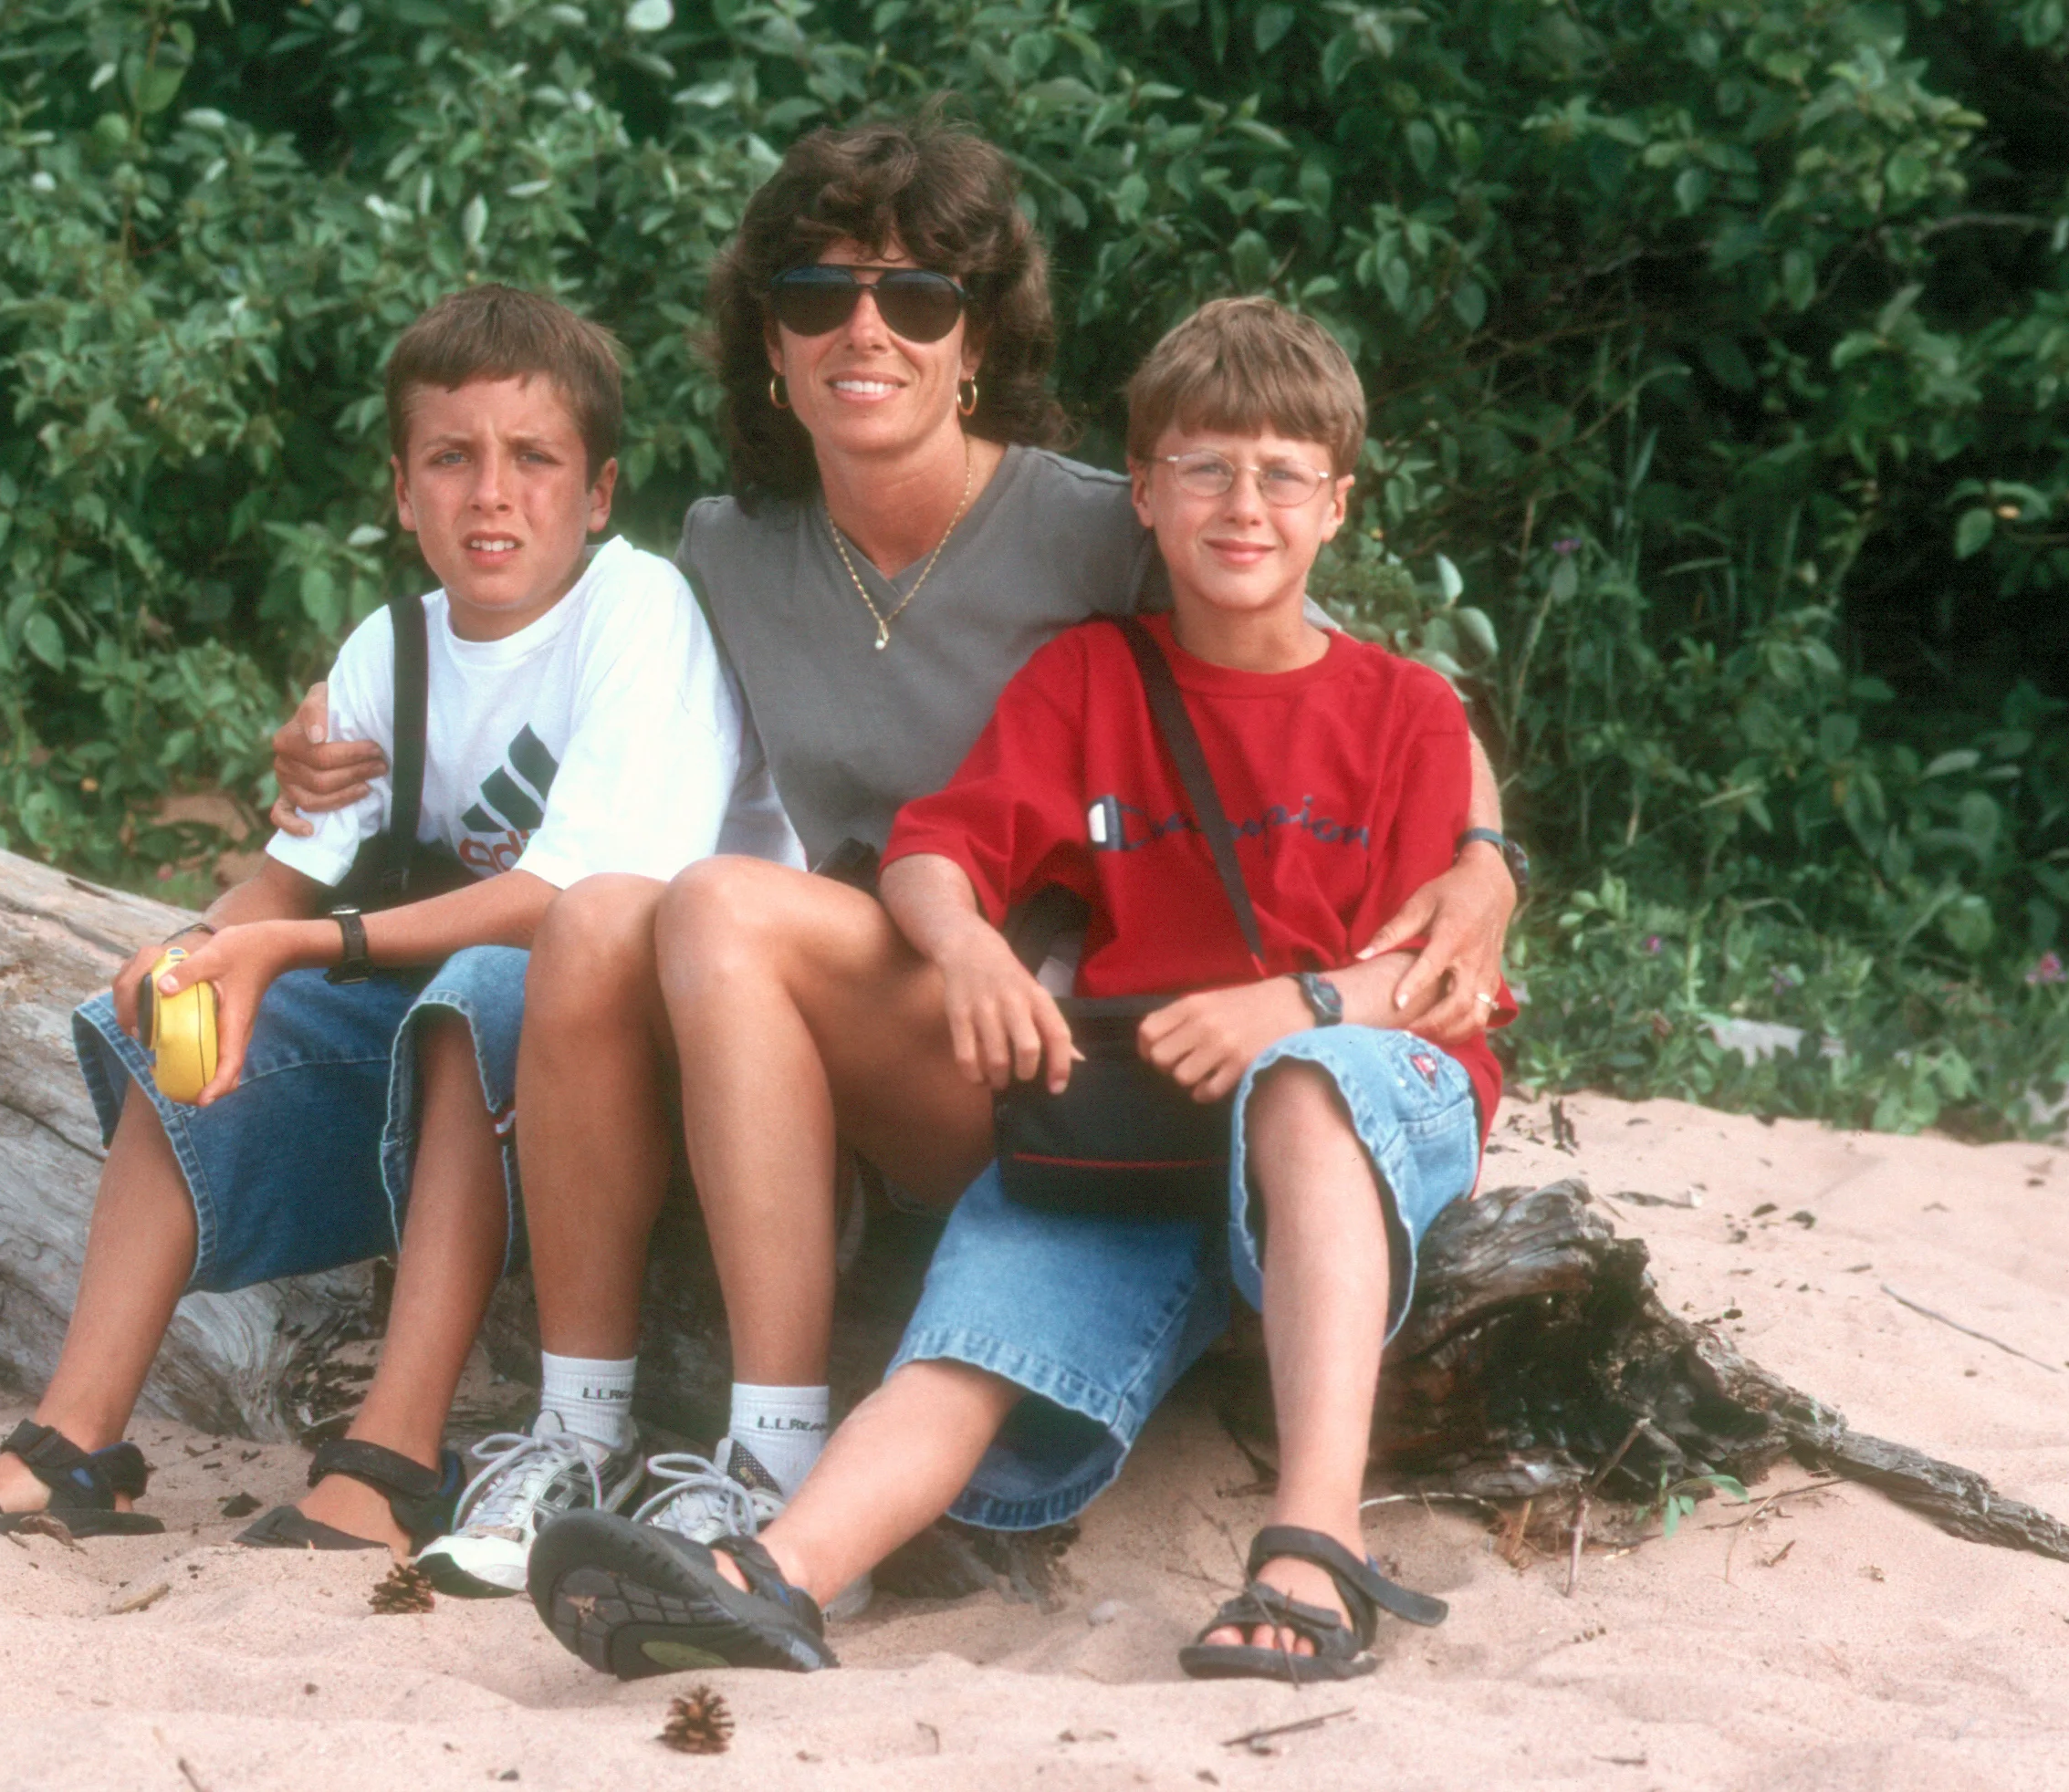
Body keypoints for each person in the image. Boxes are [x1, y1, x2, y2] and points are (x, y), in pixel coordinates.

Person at [269, 110, 1521, 1600]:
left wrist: (1486, 856)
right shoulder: (732, 551)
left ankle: (777, 1445)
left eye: (916, 297)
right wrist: (351, 720)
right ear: (772, 342)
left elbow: (1316, 664)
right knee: (604, 914)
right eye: (817, 296)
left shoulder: (1100, 528)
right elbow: (539, 653)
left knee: (720, 908)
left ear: (974, 340)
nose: (866, 329)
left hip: (1064, 1043)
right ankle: (577, 1432)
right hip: (856, 1008)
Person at [524, 296, 1504, 1683]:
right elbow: (935, 851)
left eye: (1281, 475)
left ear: (1335, 507)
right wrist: (971, 946)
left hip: (1359, 1080)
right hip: (1142, 1114)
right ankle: (774, 1574)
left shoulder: (1405, 709)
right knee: (974, 1333)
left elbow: (1442, 976)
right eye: (1202, 469)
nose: (1241, 505)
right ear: (1142, 499)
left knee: (1298, 1092)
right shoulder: (1092, 674)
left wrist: (1298, 1010)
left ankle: (1312, 1547)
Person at [0, 285, 779, 1552]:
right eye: (450, 458)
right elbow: (289, 884)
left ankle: (393, 1451)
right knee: (180, 1009)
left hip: (631, 1051)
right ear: (400, 488)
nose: (491, 494)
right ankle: (74, 1439)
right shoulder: (391, 652)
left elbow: (566, 899)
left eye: (533, 460)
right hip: (462, 1018)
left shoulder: (633, 616)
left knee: (467, 997)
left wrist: (301, 946)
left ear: (595, 494)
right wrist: (201, 946)